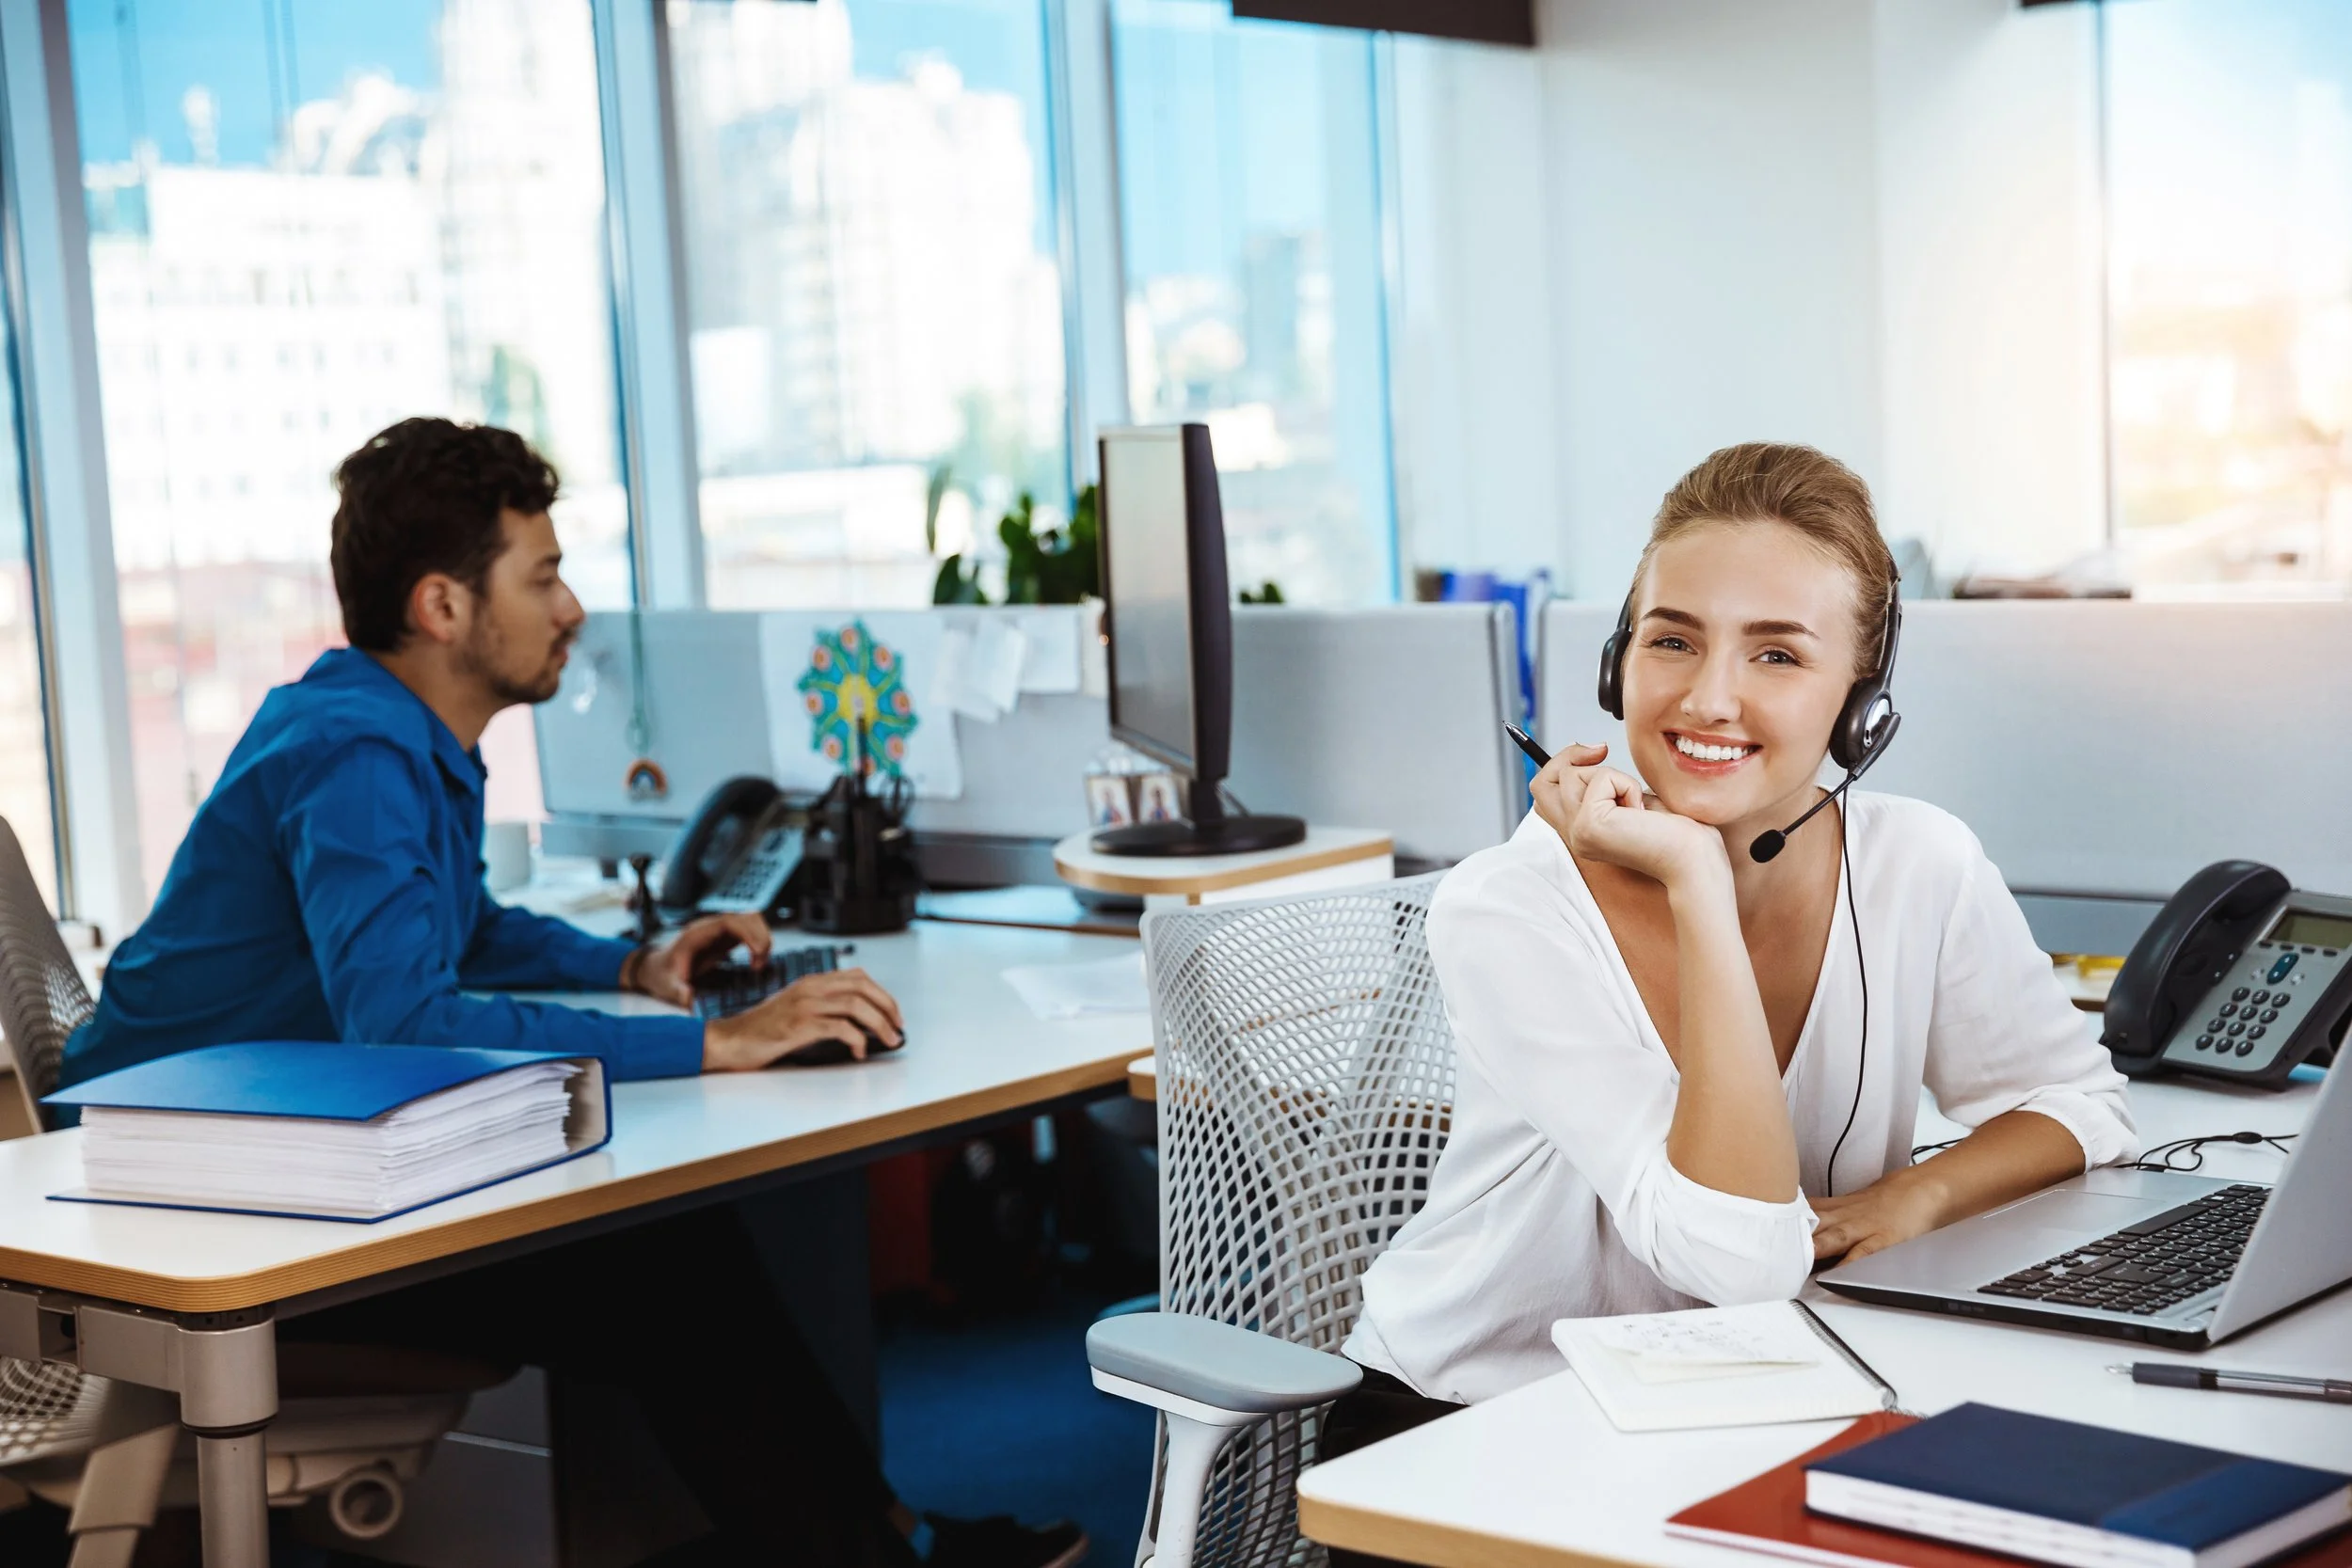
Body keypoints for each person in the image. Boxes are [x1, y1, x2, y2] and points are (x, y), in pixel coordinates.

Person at [62, 418, 1083, 1568]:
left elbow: (462, 930)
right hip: (180, 1218)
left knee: (675, 1245)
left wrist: (631, 964)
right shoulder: (356, 755)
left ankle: (884, 1535)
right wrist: (715, 1043)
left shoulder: (396, 733)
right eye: (542, 575)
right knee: (662, 1269)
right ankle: (878, 1547)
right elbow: (404, 1025)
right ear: (444, 606)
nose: (573, 607)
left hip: (271, 1163)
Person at [1321, 444, 2137, 1563]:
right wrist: (1697, 882)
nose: (1708, 696)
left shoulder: (1918, 863)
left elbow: (2080, 1101)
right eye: (1672, 639)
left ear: (1862, 701)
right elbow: (1743, 1259)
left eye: (1776, 653)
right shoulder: (1510, 906)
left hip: (1763, 1405)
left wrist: (1917, 1195)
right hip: (1478, 1435)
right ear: (1617, 662)